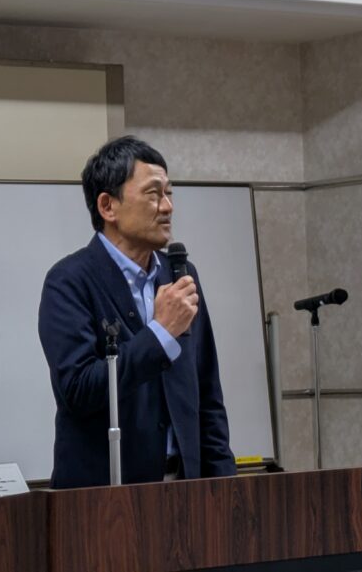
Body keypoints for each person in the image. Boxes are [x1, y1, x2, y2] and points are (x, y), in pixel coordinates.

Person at [38, 135, 235, 487]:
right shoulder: (69, 281)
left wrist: (226, 489)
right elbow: (79, 390)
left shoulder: (180, 274)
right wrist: (160, 333)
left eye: (169, 193)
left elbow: (207, 394)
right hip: (105, 498)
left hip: (186, 488)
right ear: (108, 206)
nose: (167, 207)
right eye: (153, 194)